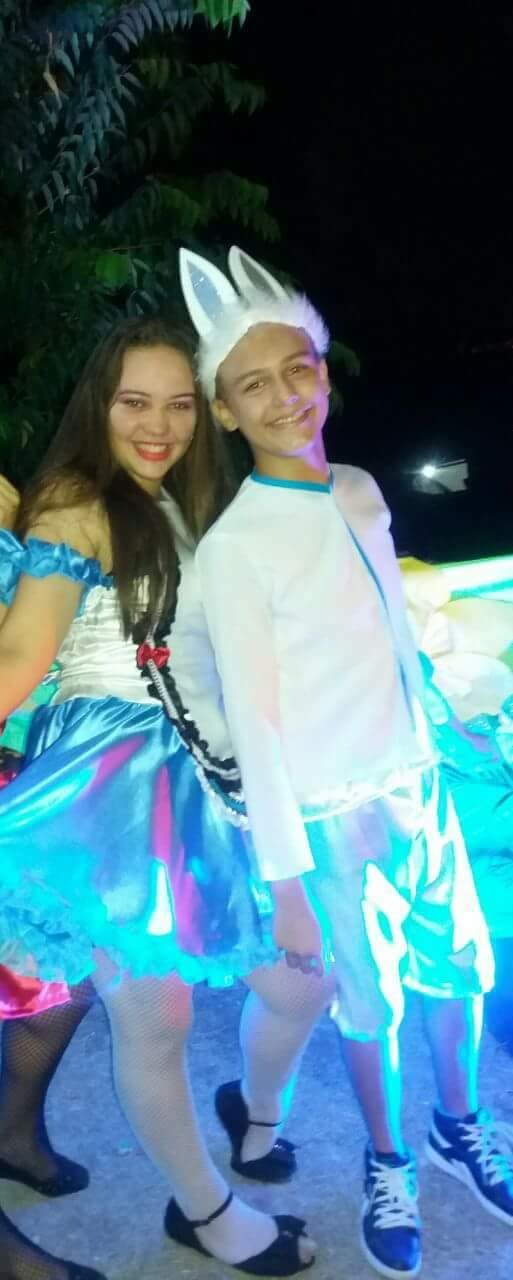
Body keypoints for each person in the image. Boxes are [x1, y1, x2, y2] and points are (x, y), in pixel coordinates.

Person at [177, 244, 513, 1279]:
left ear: (323, 372)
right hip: (325, 813)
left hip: (417, 785)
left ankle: (458, 1126)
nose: (284, 395)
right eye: (253, 385)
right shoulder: (235, 547)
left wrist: (438, 719)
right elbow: (256, 721)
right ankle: (388, 1156)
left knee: (459, 965)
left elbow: (385, 632)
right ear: (224, 410)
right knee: (370, 1001)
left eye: (299, 369)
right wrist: (285, 882)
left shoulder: (362, 490)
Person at [0, 320, 323, 1278]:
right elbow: (18, 656)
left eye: (179, 404)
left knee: (304, 981)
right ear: (98, 406)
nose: (159, 425)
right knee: (155, 1018)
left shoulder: (184, 503)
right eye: (134, 402)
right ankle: (209, 1213)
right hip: (110, 784)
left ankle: (249, 1114)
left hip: (206, 781)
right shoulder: (78, 503)